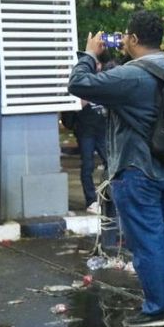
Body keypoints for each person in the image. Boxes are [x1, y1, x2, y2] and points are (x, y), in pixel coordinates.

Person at [67, 10, 164, 327]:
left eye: (125, 35)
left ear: (135, 39)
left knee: (146, 240)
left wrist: (89, 54)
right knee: (163, 234)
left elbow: (78, 83)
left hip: (137, 169)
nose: (122, 40)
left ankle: (156, 309)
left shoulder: (132, 74)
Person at [61, 56, 108, 215]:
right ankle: (91, 200)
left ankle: (108, 197)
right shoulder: (81, 81)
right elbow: (75, 105)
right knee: (87, 165)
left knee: (111, 163)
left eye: (99, 64)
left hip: (102, 129)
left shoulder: (103, 80)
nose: (98, 67)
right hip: (86, 131)